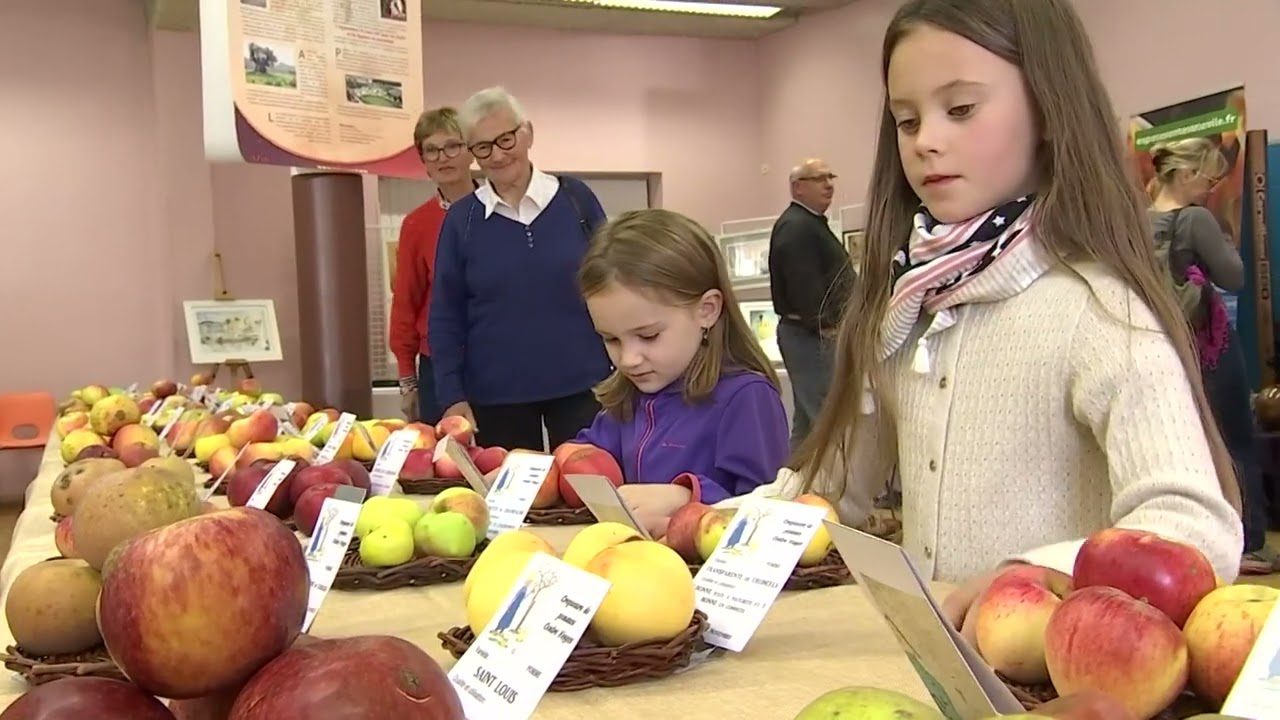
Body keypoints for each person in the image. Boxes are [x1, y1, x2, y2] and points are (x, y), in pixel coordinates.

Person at [727, 0, 1244, 641]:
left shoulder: (1099, 311)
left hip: (1053, 689)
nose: (926, 140)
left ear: (1050, 110)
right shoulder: (904, 306)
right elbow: (833, 488)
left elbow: (1195, 529)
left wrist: (1035, 574)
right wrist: (706, 525)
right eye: (906, 119)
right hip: (927, 668)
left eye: (962, 109)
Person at [573, 209, 790, 537]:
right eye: (611, 339)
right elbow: (589, 454)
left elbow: (770, 509)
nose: (629, 359)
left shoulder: (746, 398)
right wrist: (536, 468)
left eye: (648, 336)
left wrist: (687, 498)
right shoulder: (631, 395)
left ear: (707, 310)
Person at [429, 87, 611, 452]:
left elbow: (614, 282)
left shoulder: (576, 200)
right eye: (482, 147)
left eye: (506, 139)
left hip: (585, 386)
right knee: (509, 502)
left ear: (526, 133)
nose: (497, 155)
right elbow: (446, 315)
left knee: (590, 492)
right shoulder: (462, 220)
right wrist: (451, 396)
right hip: (497, 398)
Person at [1148, 137, 1274, 574]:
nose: (1211, 188)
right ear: (1184, 175)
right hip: (1210, 346)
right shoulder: (1195, 219)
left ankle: (1204, 539)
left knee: (1188, 446)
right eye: (1207, 179)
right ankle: (1250, 542)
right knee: (1237, 440)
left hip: (1165, 349)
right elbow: (1234, 276)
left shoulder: (1138, 220)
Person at [389, 107, 477, 424]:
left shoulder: (501, 214)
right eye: (432, 150)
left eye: (453, 145)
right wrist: (406, 381)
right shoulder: (416, 224)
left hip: (495, 357)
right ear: (423, 162)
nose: (443, 157)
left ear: (471, 152)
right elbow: (405, 303)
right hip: (438, 364)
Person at [768, 159, 855, 449]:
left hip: (811, 334)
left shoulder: (807, 224)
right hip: (811, 336)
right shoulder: (797, 228)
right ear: (798, 188)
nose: (828, 184)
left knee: (808, 423)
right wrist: (827, 326)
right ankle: (830, 489)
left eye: (830, 176)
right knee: (826, 419)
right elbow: (804, 286)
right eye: (819, 178)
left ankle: (794, 484)